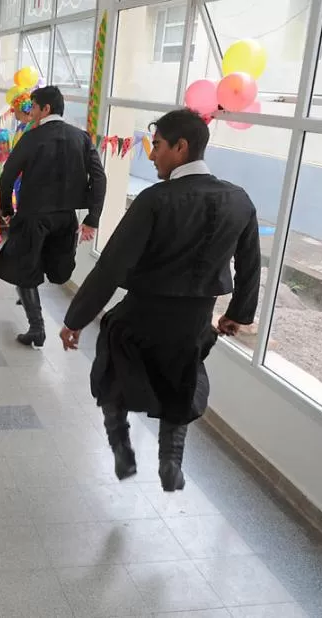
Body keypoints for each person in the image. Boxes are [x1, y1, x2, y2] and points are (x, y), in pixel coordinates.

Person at [60, 108, 261, 492]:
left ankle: (122, 452)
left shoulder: (155, 200)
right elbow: (251, 265)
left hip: (141, 316)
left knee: (111, 376)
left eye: (157, 147)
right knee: (180, 387)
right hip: (194, 323)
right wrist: (237, 314)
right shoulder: (239, 200)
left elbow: (112, 267)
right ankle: (171, 462)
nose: (151, 156)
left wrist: (76, 319)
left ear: (180, 147)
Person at [0, 86, 106, 348]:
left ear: (46, 109)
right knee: (52, 268)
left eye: (33, 106)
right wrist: (93, 217)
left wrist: (7, 211)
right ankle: (28, 295)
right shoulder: (81, 137)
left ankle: (37, 327)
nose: (30, 111)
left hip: (33, 216)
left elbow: (7, 176)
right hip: (66, 218)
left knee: (23, 268)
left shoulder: (32, 138)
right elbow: (99, 177)